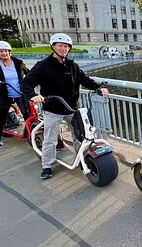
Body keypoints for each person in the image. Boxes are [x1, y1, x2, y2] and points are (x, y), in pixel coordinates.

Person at [21, 33, 109, 180]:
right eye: (61, 45)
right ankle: (47, 166)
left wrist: (98, 88)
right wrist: (33, 95)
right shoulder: (42, 66)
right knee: (50, 138)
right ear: (53, 46)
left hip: (72, 107)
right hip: (53, 108)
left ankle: (83, 158)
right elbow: (25, 84)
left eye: (67, 46)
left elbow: (85, 80)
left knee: (80, 135)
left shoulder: (72, 65)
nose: (64, 49)